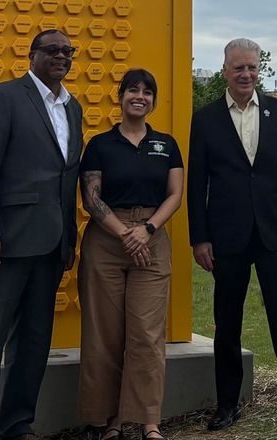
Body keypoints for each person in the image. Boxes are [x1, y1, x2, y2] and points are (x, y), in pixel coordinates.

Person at [188, 38, 277, 429]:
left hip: (274, 234)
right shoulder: (205, 118)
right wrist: (199, 238)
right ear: (225, 72)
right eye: (238, 68)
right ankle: (227, 404)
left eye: (252, 67)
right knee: (226, 322)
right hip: (226, 237)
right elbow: (197, 183)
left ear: (259, 69)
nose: (246, 74)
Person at [0, 28, 85, 440]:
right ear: (31, 55)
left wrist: (68, 239)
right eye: (53, 50)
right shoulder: (5, 97)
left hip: (49, 246)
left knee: (33, 344)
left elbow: (67, 181)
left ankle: (17, 425)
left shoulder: (73, 107)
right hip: (4, 243)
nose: (61, 57)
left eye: (68, 51)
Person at [77, 69, 184, 440]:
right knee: (104, 333)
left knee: (147, 332)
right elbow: (91, 198)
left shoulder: (166, 144)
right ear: (120, 97)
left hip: (151, 236)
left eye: (147, 92)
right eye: (132, 90)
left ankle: (148, 420)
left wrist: (147, 230)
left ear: (153, 100)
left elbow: (174, 194)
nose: (140, 97)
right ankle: (109, 420)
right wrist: (125, 234)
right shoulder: (100, 144)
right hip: (108, 239)